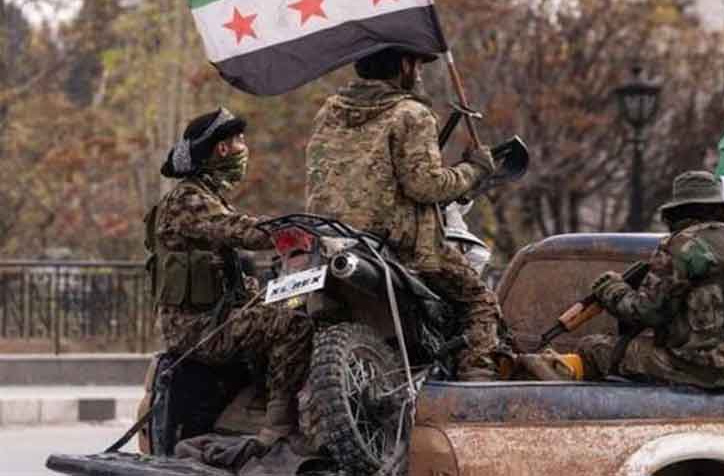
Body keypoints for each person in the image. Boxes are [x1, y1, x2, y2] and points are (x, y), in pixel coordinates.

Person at [305, 47, 501, 380]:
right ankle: (475, 385)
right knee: (479, 301)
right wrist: (474, 170)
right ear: (405, 65)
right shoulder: (412, 113)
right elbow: (426, 186)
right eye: (418, 66)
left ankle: (278, 405)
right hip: (398, 245)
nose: (420, 74)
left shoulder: (330, 109)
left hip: (329, 237)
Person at [150, 108, 312, 452]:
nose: (244, 148)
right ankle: (279, 426)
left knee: (298, 300)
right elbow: (242, 231)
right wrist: (294, 234)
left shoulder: (206, 196)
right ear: (222, 148)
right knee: (294, 321)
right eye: (239, 140)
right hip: (199, 331)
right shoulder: (188, 200)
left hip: (215, 319)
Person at [576, 171, 724, 389]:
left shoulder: (682, 245)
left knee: (593, 347)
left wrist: (611, 288)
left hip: (698, 367)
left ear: (676, 210)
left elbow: (646, 312)